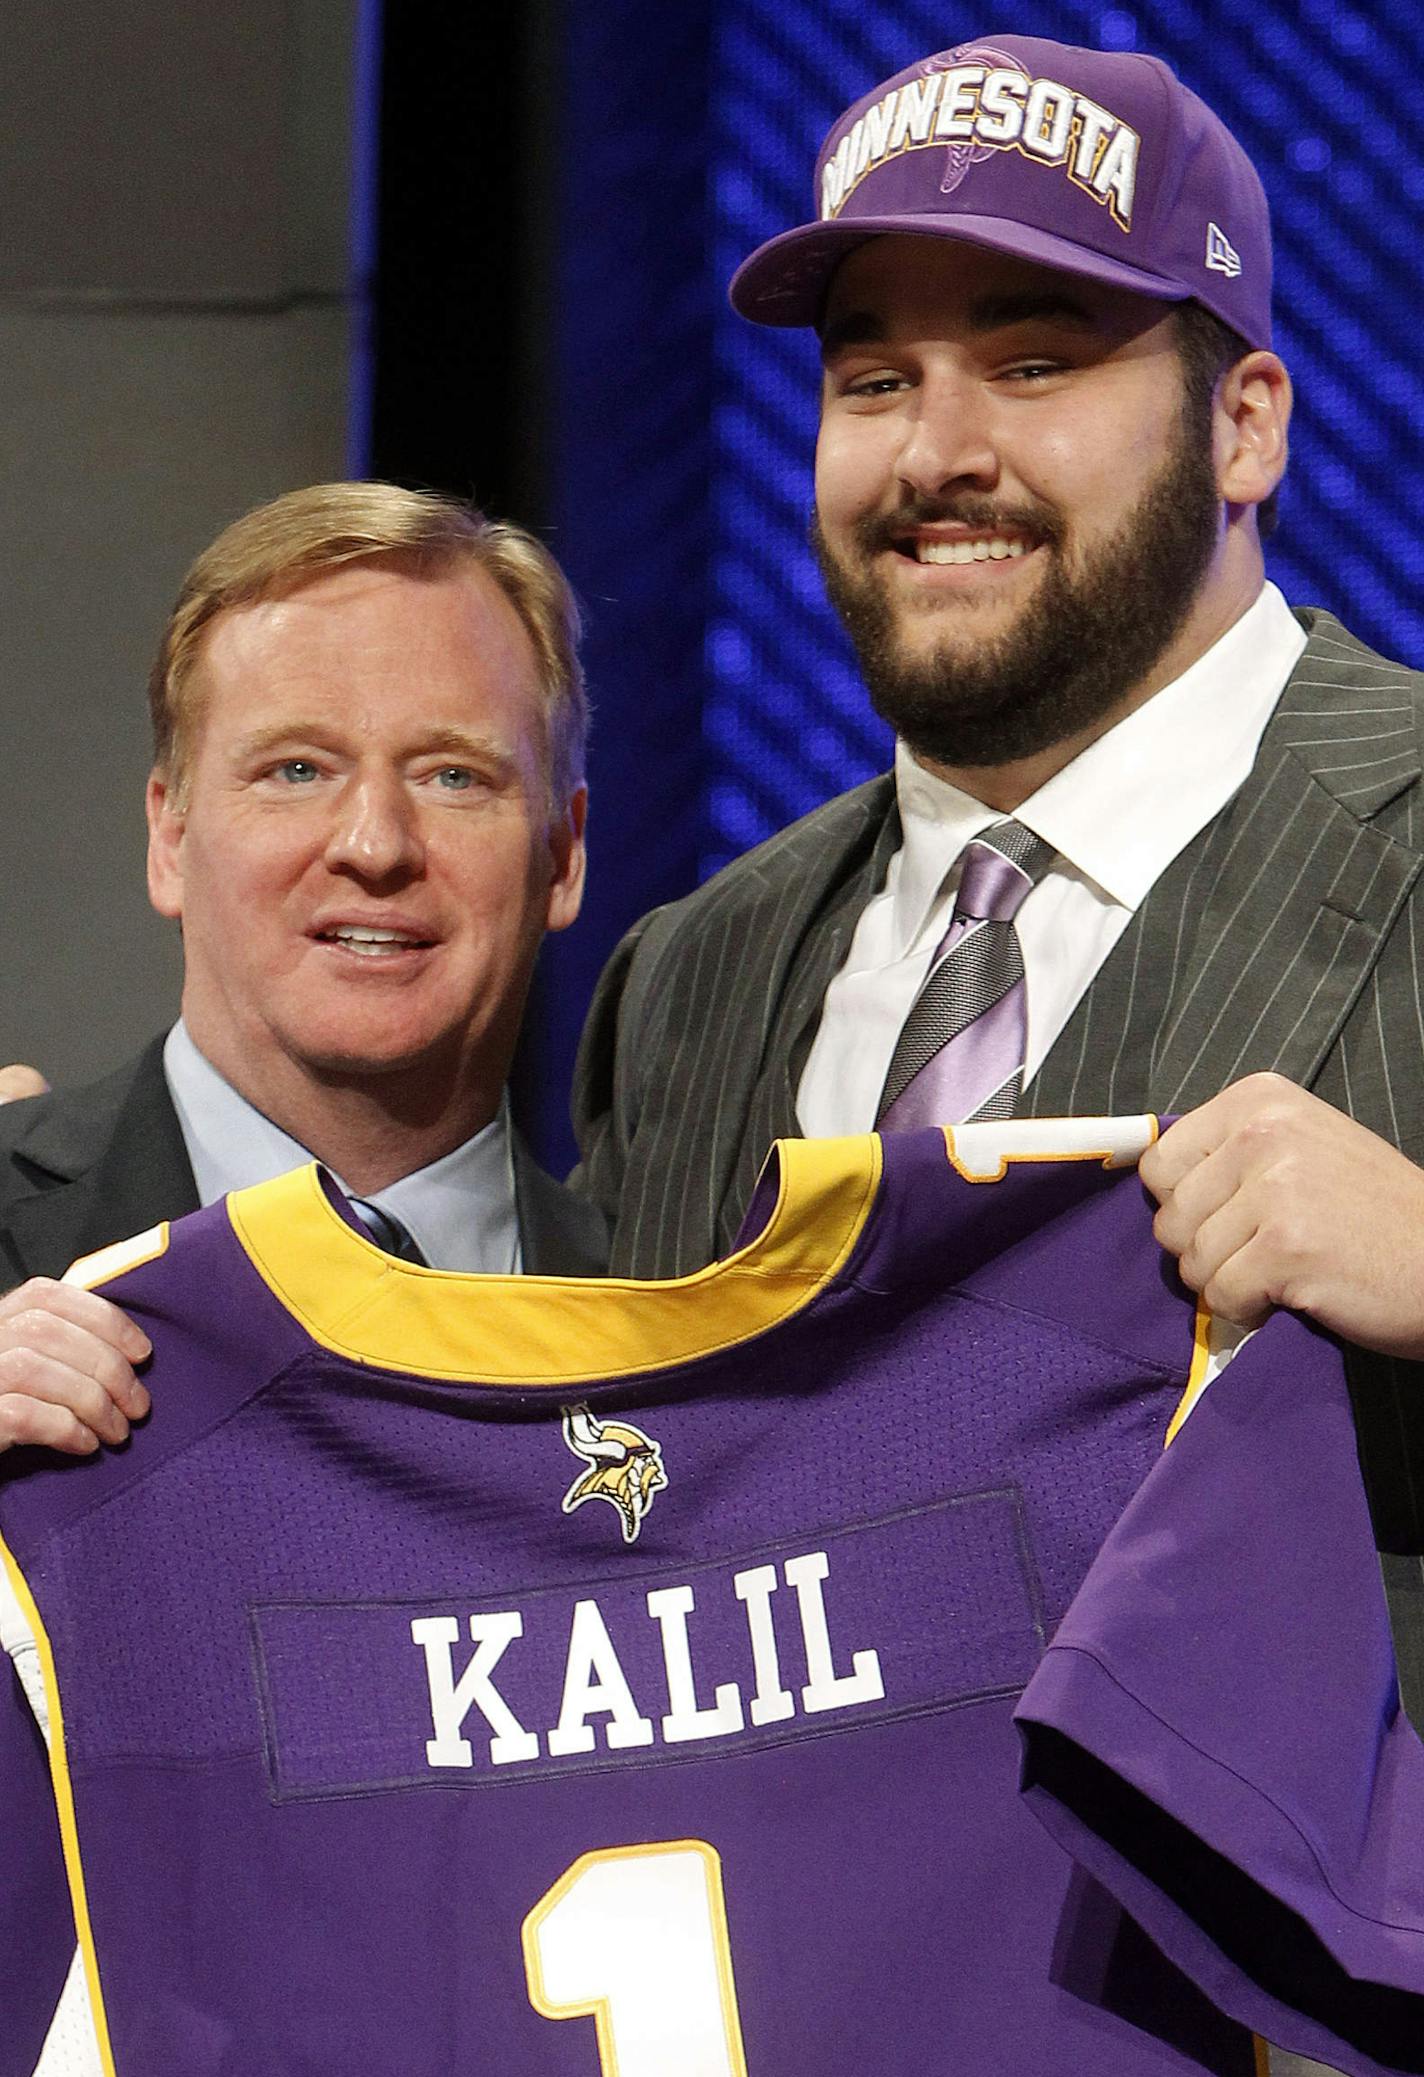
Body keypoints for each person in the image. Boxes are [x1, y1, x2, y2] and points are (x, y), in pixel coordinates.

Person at [569, 34, 1424, 1488]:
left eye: (1034, 363)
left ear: (1247, 425)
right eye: (875, 379)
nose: (935, 453)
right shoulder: (689, 976)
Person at [0, 481, 605, 1454]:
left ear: (561, 858)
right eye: (296, 770)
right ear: (169, 834)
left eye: (452, 775)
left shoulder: (691, 1312)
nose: (374, 845)